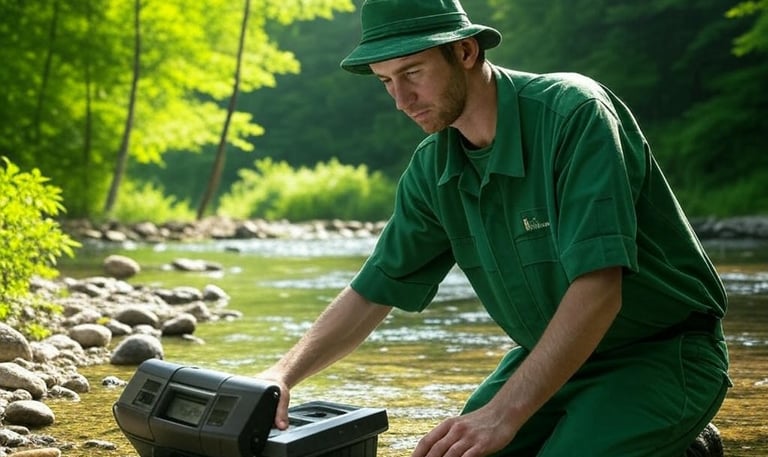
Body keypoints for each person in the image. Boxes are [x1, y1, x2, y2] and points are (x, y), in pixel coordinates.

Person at [257, 0, 731, 455]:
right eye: (385, 82)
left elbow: (600, 288)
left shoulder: (574, 113)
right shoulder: (431, 169)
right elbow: (374, 290)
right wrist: (281, 374)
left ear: (465, 51)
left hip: (662, 352)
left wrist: (502, 415)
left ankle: (684, 444)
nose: (401, 100)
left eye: (412, 74)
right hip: (545, 357)